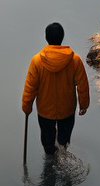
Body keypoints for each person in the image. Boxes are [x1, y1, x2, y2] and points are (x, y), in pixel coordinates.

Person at [22, 22, 90, 156]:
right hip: (67, 110)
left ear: (46, 38)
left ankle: (50, 155)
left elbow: (30, 88)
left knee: (47, 140)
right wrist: (84, 104)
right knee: (64, 138)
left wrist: (26, 107)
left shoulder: (37, 61)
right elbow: (83, 86)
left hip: (45, 111)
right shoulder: (75, 60)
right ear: (62, 37)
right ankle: (62, 150)